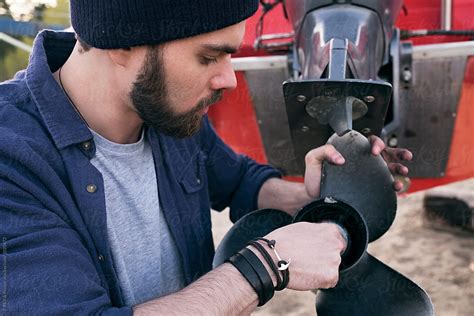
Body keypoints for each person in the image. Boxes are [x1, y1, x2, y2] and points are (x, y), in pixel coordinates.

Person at [0, 0, 412, 314]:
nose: (228, 79)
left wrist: (318, 200)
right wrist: (266, 265)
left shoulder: (165, 110)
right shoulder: (11, 159)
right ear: (120, 42)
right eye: (208, 57)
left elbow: (239, 182)